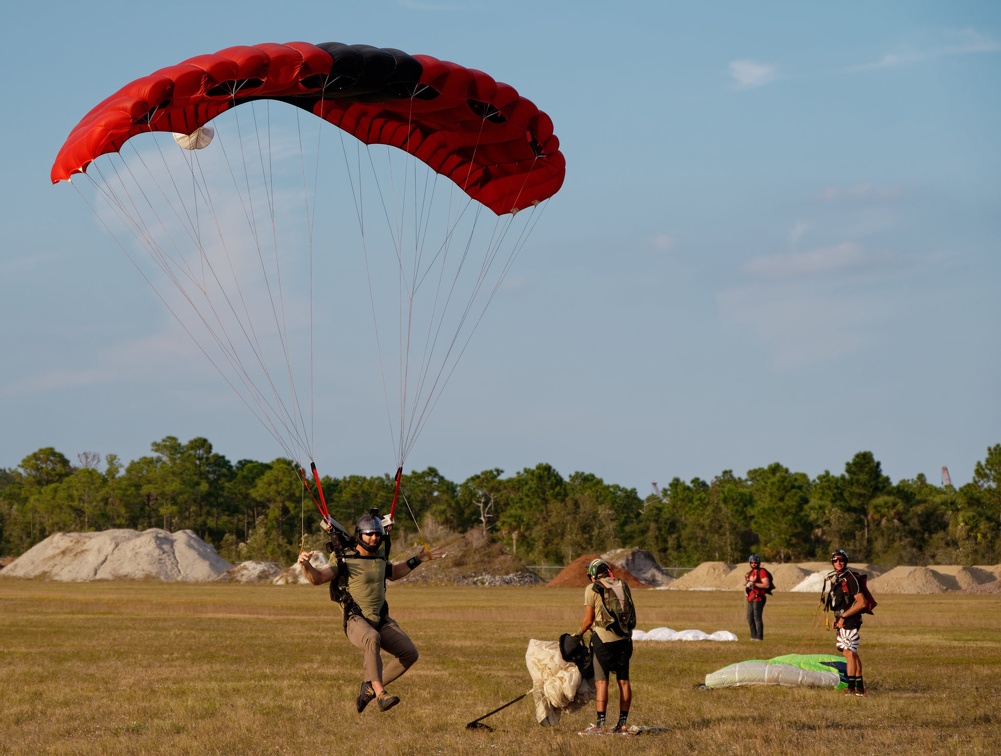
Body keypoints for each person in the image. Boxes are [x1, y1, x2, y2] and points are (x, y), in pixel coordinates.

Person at [298, 512, 443, 713]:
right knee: (371, 637)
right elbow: (318, 578)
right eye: (369, 534)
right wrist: (306, 565)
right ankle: (380, 694)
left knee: (409, 653)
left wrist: (417, 560)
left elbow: (393, 573)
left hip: (380, 618)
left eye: (377, 534)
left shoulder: (379, 558)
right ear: (360, 535)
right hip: (355, 620)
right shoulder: (343, 558)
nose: (374, 538)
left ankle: (369, 686)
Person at [576, 558, 633, 735]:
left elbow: (588, 620)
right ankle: (622, 725)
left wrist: (577, 634)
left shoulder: (591, 589)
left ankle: (600, 725)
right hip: (625, 640)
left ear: (592, 575)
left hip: (603, 640)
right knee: (623, 681)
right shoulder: (622, 584)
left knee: (602, 683)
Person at [827, 549, 867, 697]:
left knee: (849, 653)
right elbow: (841, 602)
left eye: (841, 560)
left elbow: (862, 603)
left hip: (850, 620)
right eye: (835, 560)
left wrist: (844, 616)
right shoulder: (838, 578)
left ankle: (851, 689)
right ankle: (860, 688)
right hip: (843, 620)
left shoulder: (850, 578)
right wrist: (837, 618)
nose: (838, 563)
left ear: (846, 561)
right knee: (849, 652)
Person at [744, 554, 772, 641]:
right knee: (749, 617)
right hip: (750, 597)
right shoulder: (750, 573)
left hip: (759, 597)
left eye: (755, 562)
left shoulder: (762, 571)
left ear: (758, 562)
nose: (753, 564)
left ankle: (759, 637)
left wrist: (754, 584)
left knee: (757, 617)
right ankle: (753, 636)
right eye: (751, 562)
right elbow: (746, 583)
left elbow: (766, 585)